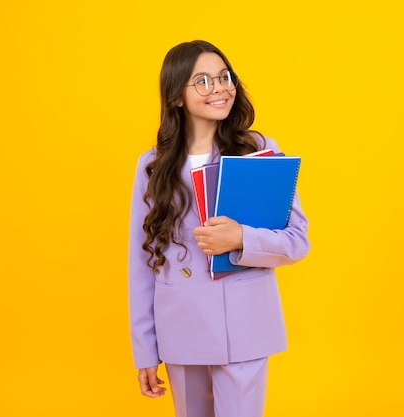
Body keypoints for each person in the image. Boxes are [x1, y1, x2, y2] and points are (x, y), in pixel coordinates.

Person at [128, 40, 310, 417]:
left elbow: (297, 240)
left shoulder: (257, 151)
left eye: (224, 77)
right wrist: (145, 349)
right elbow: (141, 262)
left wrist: (241, 237)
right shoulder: (152, 165)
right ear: (176, 95)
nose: (220, 88)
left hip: (243, 326)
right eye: (203, 81)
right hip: (180, 327)